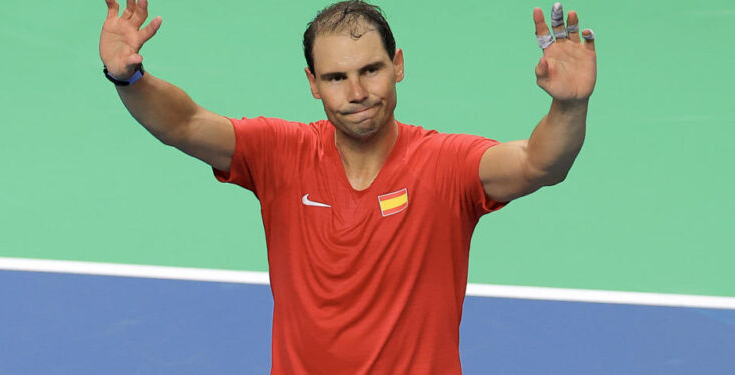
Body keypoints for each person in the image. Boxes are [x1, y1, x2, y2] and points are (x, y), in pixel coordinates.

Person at [99, 0, 596, 373]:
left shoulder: (447, 165)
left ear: (397, 65)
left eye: (371, 70)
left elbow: (538, 164)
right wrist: (129, 78)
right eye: (336, 78)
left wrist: (569, 106)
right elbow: (184, 123)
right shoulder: (279, 154)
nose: (356, 93)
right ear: (313, 83)